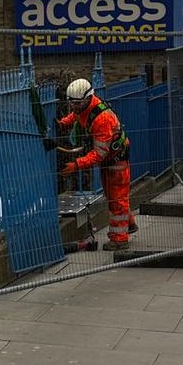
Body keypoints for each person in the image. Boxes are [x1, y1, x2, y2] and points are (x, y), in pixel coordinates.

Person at [57, 78, 137, 251]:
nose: (74, 106)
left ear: (87, 99)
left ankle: (119, 239)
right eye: (71, 102)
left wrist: (76, 165)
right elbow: (77, 116)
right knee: (115, 196)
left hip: (117, 161)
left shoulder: (102, 120)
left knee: (117, 199)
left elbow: (99, 154)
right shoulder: (86, 107)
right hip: (111, 159)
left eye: (77, 103)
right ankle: (129, 223)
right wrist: (64, 123)